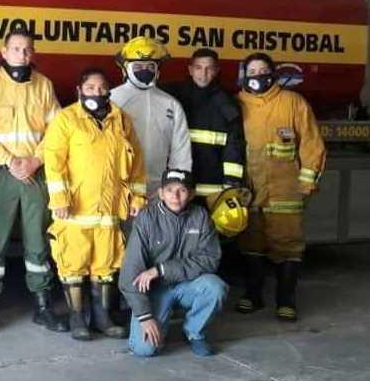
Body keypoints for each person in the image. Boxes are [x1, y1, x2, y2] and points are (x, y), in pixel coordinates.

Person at [0, 27, 68, 335]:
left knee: (38, 244)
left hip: (36, 173)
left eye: (27, 49)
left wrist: (35, 161)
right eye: (16, 49)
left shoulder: (44, 86)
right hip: (1, 172)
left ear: (33, 53)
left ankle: (43, 307)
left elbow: (56, 132)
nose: (22, 55)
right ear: (3, 51)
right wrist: (10, 161)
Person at [42, 67, 146, 341]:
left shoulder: (121, 120)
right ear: (79, 90)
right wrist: (60, 199)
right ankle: (77, 318)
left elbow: (136, 163)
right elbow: (54, 163)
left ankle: (103, 318)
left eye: (102, 88)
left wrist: (137, 197)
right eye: (90, 88)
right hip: (74, 210)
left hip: (110, 211)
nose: (97, 93)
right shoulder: (66, 119)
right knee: (73, 264)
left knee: (106, 265)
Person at [236, 52, 326, 322]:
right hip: (249, 189)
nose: (257, 75)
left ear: (273, 73)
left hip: (285, 191)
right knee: (250, 243)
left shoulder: (293, 102)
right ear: (244, 75)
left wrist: (307, 183)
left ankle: (286, 300)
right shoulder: (236, 103)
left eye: (263, 70)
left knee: (288, 246)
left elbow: (312, 144)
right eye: (252, 71)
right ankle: (253, 295)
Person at [119, 169, 228, 358]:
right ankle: (160, 319)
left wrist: (161, 270)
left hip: (187, 285)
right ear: (160, 193)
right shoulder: (146, 219)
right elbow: (130, 272)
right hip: (155, 290)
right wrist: (145, 317)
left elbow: (210, 259)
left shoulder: (200, 217)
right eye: (169, 190)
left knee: (215, 287)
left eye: (182, 190)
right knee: (144, 349)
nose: (175, 196)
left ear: (192, 194)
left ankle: (194, 331)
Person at [111, 36, 192, 197]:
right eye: (139, 66)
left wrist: (176, 185)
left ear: (157, 69)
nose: (145, 70)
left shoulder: (171, 104)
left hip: (158, 189)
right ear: (126, 68)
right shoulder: (112, 99)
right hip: (119, 187)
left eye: (150, 66)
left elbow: (181, 150)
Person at [165, 48, 246, 200]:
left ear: (217, 70)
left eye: (209, 68)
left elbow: (234, 145)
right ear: (190, 70)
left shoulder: (227, 103)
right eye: (199, 68)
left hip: (213, 187)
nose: (203, 74)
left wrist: (231, 183)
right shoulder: (173, 97)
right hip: (179, 187)